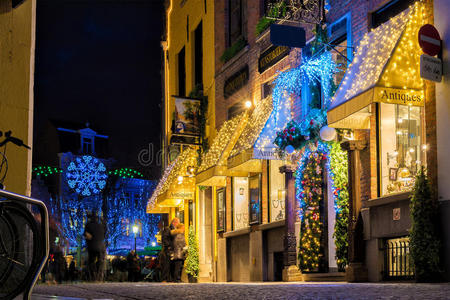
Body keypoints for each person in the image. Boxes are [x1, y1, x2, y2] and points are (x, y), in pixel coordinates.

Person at [84, 213, 105, 282]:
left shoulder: (88, 225)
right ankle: (99, 277)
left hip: (92, 246)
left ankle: (92, 277)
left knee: (91, 261)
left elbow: (86, 235)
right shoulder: (100, 226)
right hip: (100, 246)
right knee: (99, 261)